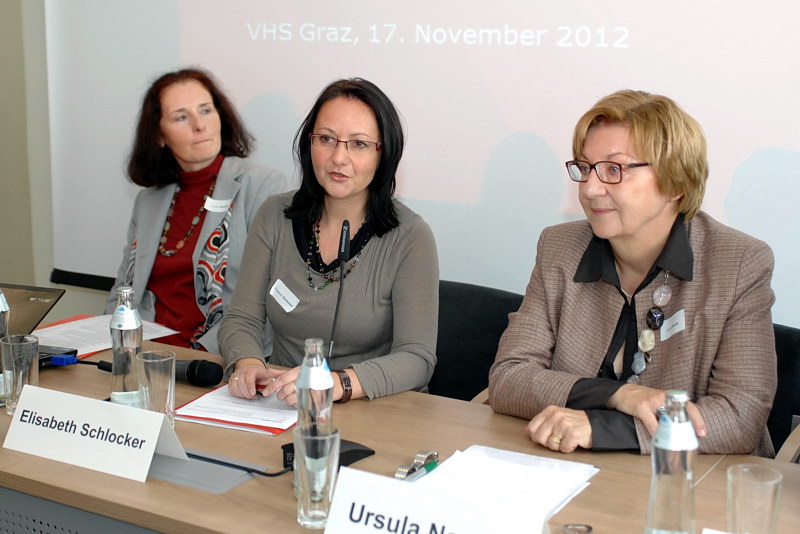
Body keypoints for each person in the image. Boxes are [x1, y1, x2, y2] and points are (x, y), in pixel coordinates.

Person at [489, 90, 777, 456]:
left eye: (615, 170)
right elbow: (508, 377)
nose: (590, 189)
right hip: (573, 469)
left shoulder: (738, 263)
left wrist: (601, 428)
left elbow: (739, 419)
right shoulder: (559, 248)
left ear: (675, 182)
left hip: (695, 479)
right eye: (586, 168)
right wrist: (618, 395)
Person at [219, 78, 439, 405]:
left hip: (374, 407)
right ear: (309, 144)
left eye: (359, 144)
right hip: (282, 405)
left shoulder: (410, 236)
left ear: (384, 153)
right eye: (326, 139)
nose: (338, 157)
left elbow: (417, 358)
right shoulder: (274, 215)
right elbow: (242, 319)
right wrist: (248, 363)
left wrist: (338, 384)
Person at [106, 68, 288, 354]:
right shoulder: (148, 200)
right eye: (181, 117)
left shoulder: (263, 186)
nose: (199, 125)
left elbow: (267, 297)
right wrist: (117, 347)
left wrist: (202, 357)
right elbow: (123, 291)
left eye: (205, 110)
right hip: (144, 352)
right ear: (159, 136)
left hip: (217, 355)